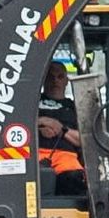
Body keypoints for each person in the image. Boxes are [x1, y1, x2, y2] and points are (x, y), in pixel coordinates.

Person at [37, 60, 85, 194]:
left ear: (66, 81)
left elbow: (86, 140)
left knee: (76, 179)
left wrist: (61, 129)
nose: (55, 81)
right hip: (34, 154)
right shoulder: (31, 103)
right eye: (50, 77)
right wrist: (40, 123)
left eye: (60, 77)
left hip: (66, 157)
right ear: (43, 79)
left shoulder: (76, 108)